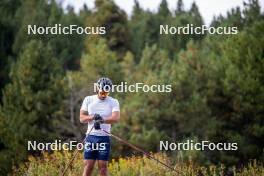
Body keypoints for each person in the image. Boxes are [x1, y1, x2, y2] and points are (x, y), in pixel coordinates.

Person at [80, 77, 120, 176]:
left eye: (106, 93)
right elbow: (82, 118)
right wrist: (93, 117)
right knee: (88, 166)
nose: (103, 95)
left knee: (102, 168)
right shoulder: (88, 99)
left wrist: (101, 120)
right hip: (91, 137)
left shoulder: (114, 101)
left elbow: (116, 118)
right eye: (102, 92)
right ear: (98, 88)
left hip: (104, 137)